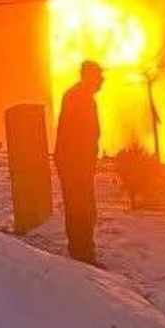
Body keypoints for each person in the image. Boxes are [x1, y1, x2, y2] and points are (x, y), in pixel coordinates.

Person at [53, 60, 105, 264]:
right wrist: (78, 162)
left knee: (83, 207)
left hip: (79, 163)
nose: (102, 81)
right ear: (89, 76)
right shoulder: (78, 97)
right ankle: (81, 253)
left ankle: (83, 250)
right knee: (80, 207)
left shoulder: (81, 96)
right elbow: (75, 135)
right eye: (99, 76)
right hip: (75, 164)